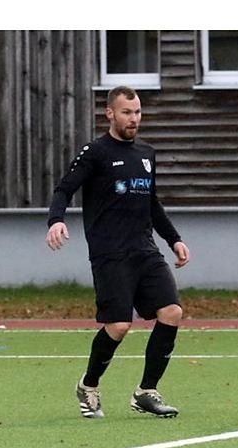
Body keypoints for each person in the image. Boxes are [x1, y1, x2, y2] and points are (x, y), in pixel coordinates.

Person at [46, 85, 190, 420]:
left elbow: (151, 203)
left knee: (172, 312)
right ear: (110, 113)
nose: (134, 118)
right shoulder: (95, 152)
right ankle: (89, 385)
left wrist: (174, 239)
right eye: (127, 112)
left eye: (138, 112)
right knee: (119, 326)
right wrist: (56, 220)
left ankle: (146, 392)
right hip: (110, 253)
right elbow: (65, 188)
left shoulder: (146, 153)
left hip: (145, 251)